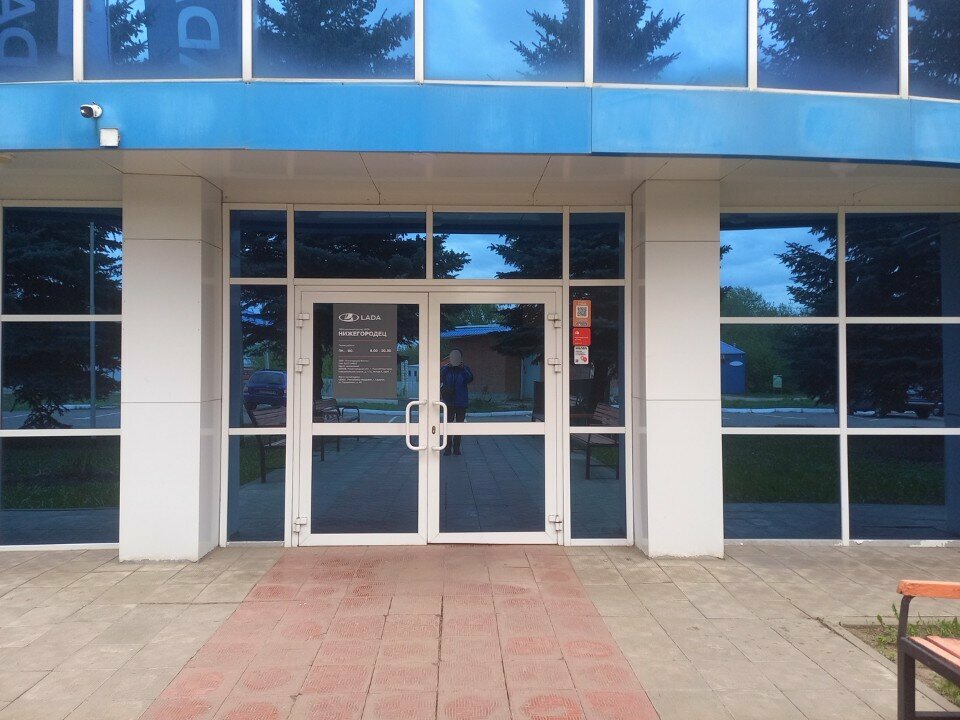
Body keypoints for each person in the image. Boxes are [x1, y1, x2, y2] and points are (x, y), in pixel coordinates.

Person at [440, 348, 473, 456]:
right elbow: (439, 377)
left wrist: (462, 369)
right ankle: (447, 448)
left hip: (461, 402)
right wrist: (447, 367)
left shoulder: (465, 369)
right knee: (448, 426)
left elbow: (470, 379)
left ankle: (456, 448)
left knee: (459, 426)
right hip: (449, 402)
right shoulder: (445, 369)